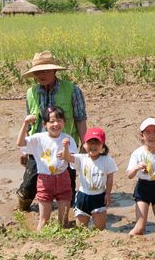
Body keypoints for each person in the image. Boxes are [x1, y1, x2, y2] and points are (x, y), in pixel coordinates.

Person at [17, 51, 88, 213]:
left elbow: (80, 118)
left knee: (67, 189)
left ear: (54, 71)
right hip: (38, 147)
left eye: (45, 71)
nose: (41, 75)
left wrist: (84, 143)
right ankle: (23, 210)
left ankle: (67, 216)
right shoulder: (31, 93)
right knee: (28, 187)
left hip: (64, 146)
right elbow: (29, 124)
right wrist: (24, 149)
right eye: (37, 72)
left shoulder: (72, 90)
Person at [17, 107, 75, 231]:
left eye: (59, 120)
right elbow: (20, 143)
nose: (56, 124)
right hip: (45, 181)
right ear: (44, 124)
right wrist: (25, 123)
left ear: (64, 122)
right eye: (51, 121)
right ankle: (39, 242)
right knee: (43, 221)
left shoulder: (68, 139)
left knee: (64, 221)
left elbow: (73, 160)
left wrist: (65, 153)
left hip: (63, 179)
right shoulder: (39, 138)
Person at [69, 127, 117, 230]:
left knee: (100, 230)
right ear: (84, 144)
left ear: (102, 145)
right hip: (83, 196)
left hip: (99, 196)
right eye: (90, 142)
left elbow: (110, 178)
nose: (93, 146)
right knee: (81, 231)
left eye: (97, 142)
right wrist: (64, 148)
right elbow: (68, 158)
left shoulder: (107, 160)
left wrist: (108, 194)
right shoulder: (81, 158)